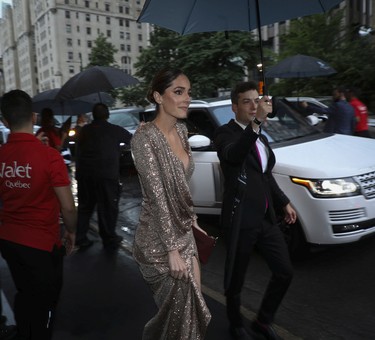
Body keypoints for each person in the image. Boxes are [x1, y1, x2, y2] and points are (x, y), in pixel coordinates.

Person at [131, 68, 211, 339]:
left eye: (188, 92)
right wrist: (172, 249)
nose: (187, 98)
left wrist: (193, 220)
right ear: (158, 97)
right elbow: (156, 196)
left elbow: (181, 187)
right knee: (178, 320)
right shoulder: (144, 138)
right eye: (178, 92)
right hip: (159, 244)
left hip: (185, 233)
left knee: (194, 313)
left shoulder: (181, 129)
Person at [214, 81, 296, 340]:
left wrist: (284, 202)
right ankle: (236, 324)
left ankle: (263, 320)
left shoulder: (258, 134)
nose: (253, 105)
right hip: (240, 218)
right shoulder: (225, 133)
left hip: (266, 218)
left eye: (256, 100)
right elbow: (234, 156)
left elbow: (264, 175)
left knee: (284, 272)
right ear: (234, 107)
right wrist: (256, 125)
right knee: (236, 278)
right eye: (247, 101)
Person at [0, 90, 77, 340]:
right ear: (33, 117)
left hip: (9, 240)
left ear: (5, 121)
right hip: (42, 243)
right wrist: (72, 231)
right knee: (46, 301)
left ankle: (24, 332)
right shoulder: (49, 156)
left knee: (24, 292)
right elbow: (67, 206)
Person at [75, 103, 132, 250]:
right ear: (107, 115)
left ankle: (80, 238)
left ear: (93, 116)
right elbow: (132, 140)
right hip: (106, 175)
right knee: (107, 207)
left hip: (85, 175)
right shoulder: (114, 130)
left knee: (85, 208)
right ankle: (109, 237)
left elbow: (78, 150)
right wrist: (118, 149)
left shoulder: (84, 131)